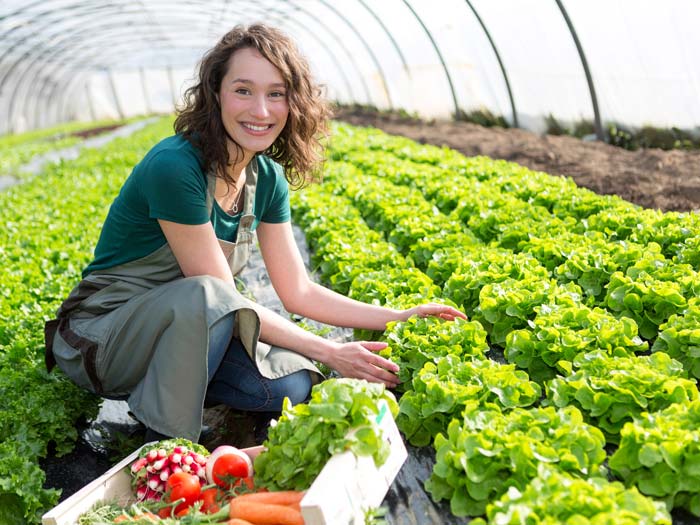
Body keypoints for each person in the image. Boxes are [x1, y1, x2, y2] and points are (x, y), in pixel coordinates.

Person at [44, 23, 466, 444]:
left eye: (276, 93)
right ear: (215, 95)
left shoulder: (266, 178)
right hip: (104, 338)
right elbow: (218, 298)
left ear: (293, 103)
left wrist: (396, 317)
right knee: (208, 294)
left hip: (187, 333)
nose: (261, 111)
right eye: (243, 90)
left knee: (289, 386)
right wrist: (331, 351)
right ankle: (166, 445)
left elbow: (298, 291)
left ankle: (173, 389)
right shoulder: (175, 167)